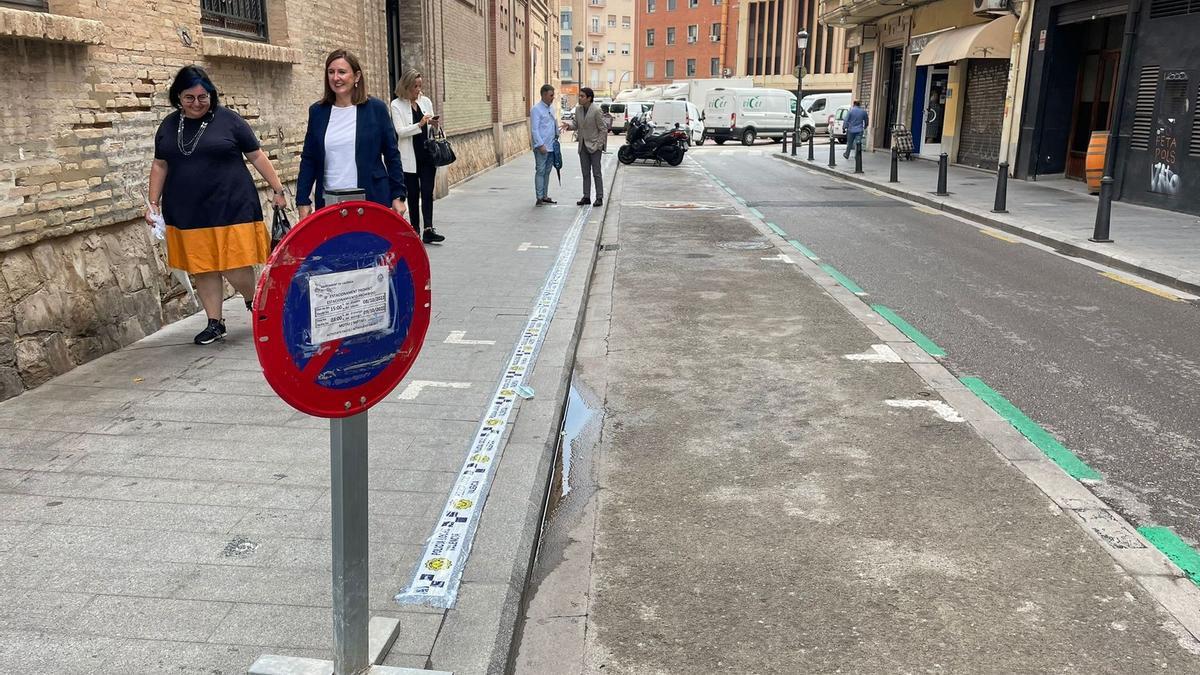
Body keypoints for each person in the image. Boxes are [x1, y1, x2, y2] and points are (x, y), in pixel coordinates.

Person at [147, 65, 287, 346]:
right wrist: (153, 204)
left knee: (234, 265)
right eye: (189, 98)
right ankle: (215, 322)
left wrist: (278, 188)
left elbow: (257, 156)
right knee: (203, 267)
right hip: (187, 210)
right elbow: (160, 165)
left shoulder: (229, 121)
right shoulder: (169, 126)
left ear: (211, 95)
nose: (197, 103)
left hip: (231, 205)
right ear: (178, 97)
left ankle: (254, 302)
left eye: (203, 97)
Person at [296, 49, 407, 221]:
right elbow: (309, 159)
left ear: (356, 77)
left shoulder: (376, 109)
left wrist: (398, 195)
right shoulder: (317, 112)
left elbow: (392, 155)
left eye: (342, 72)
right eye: (331, 72)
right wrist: (302, 200)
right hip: (329, 202)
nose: (335, 78)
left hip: (371, 199)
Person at [390, 69, 444, 244]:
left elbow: (431, 128)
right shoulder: (396, 105)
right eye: (415, 86)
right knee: (413, 195)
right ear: (406, 86)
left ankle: (428, 229)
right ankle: (415, 231)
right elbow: (400, 132)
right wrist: (419, 124)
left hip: (427, 155)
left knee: (427, 192)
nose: (418, 89)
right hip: (409, 158)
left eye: (420, 85)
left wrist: (434, 124)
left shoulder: (426, 102)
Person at [572, 87, 607, 207]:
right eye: (579, 96)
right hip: (583, 146)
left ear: (589, 98)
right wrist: (569, 126)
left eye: (582, 96)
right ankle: (586, 196)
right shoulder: (578, 110)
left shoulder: (596, 110)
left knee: (596, 173)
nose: (579, 98)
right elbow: (576, 125)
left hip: (594, 146)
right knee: (585, 173)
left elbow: (603, 129)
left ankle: (599, 197)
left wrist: (599, 145)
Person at [530, 84, 558, 206]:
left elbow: (553, 123)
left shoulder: (551, 108)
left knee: (547, 171)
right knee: (540, 171)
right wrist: (540, 144)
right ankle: (539, 197)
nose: (553, 98)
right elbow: (534, 129)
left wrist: (557, 135)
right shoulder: (536, 109)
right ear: (544, 95)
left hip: (551, 146)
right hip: (541, 147)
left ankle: (545, 195)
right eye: (551, 95)